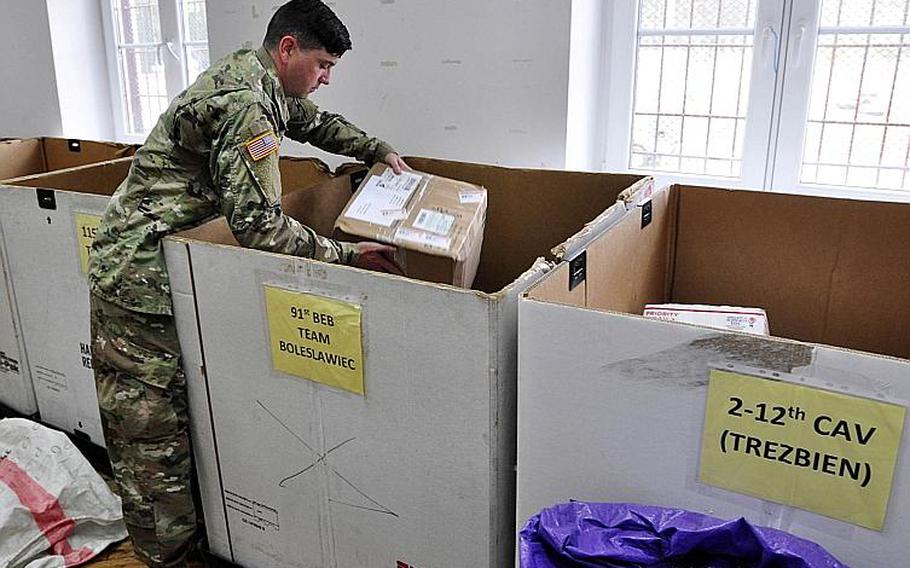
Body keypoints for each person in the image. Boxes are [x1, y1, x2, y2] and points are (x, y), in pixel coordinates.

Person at [87, 1, 405, 565]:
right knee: (150, 428)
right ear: (288, 49)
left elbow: (313, 121)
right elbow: (259, 227)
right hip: (136, 272)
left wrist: (375, 149)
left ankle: (184, 539)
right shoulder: (247, 107)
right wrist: (348, 254)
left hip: (168, 261)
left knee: (177, 416)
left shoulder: (259, 77)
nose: (326, 78)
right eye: (322, 63)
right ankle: (166, 555)